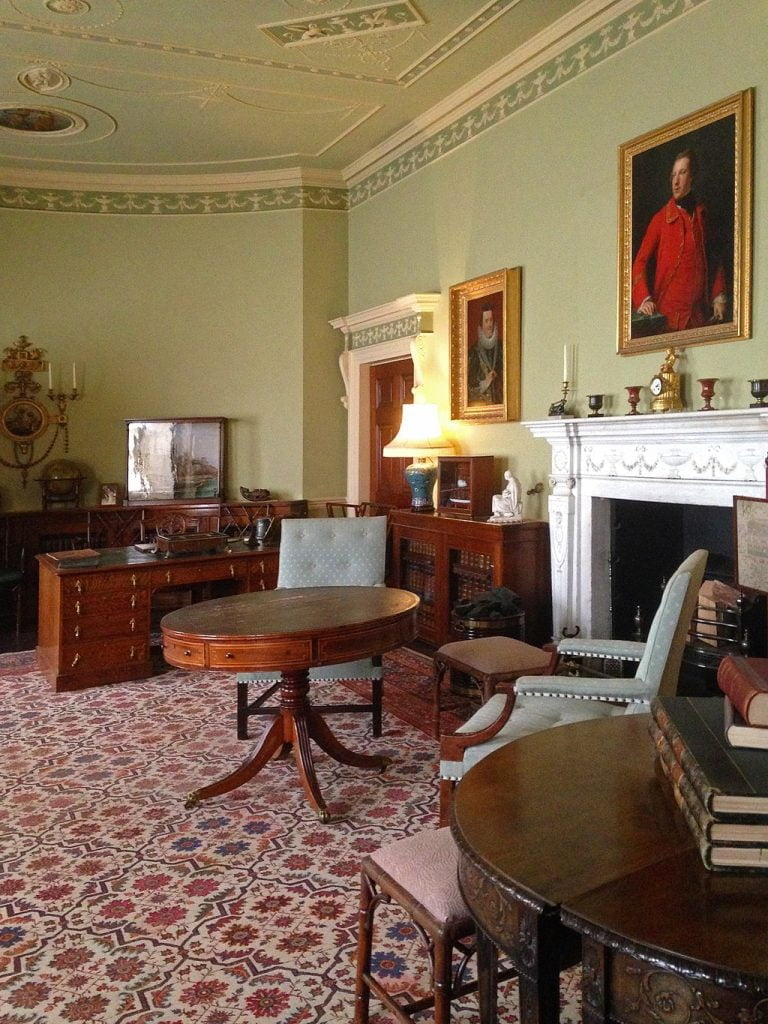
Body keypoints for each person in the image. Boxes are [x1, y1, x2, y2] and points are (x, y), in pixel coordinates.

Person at [631, 149, 726, 334]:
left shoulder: (702, 214)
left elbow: (715, 260)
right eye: (673, 175)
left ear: (692, 177)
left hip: (698, 318)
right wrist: (644, 299)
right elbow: (639, 263)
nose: (675, 181)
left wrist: (719, 296)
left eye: (682, 173)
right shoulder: (660, 219)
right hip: (669, 319)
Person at [467, 303, 503, 405]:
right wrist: (485, 382)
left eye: (491, 320)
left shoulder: (501, 348)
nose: (489, 325)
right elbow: (469, 389)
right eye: (486, 321)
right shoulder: (474, 352)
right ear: (481, 325)